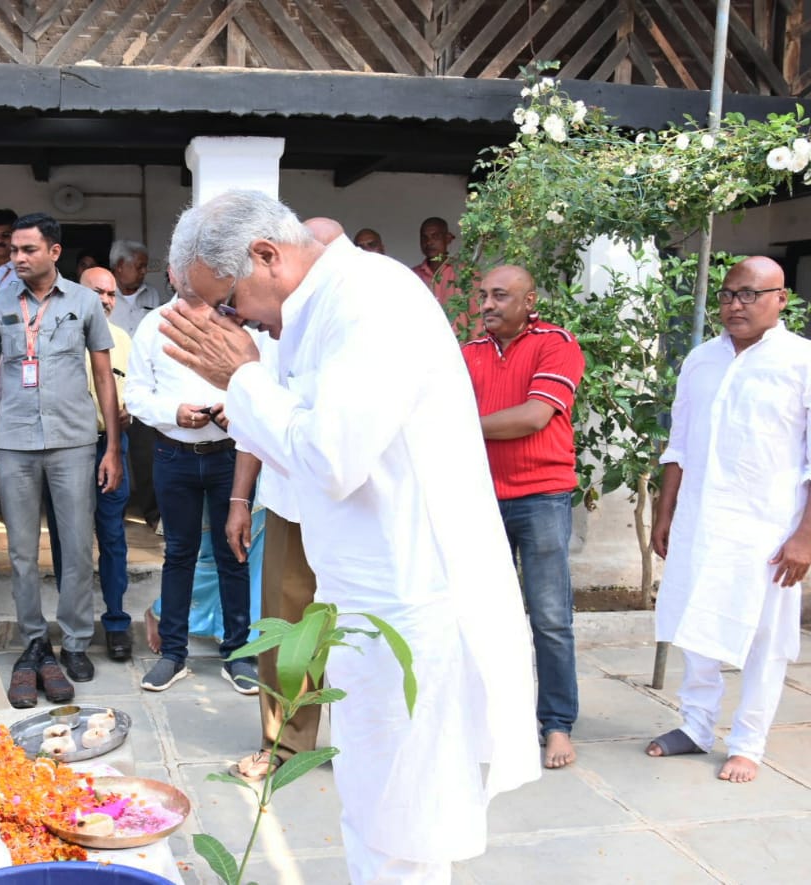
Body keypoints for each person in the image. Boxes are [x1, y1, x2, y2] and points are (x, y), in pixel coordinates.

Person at [158, 190, 539, 884]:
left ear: (267, 256)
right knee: (373, 802)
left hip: (410, 601)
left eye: (229, 299)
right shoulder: (317, 309)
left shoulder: (371, 301)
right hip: (367, 595)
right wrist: (245, 386)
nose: (232, 319)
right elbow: (302, 442)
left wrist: (241, 376)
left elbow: (332, 456)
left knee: (402, 820)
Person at [647, 256, 811, 784]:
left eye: (749, 294)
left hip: (768, 527)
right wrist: (665, 509)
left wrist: (804, 537)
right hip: (700, 517)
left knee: (763, 636)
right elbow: (679, 444)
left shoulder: (801, 363)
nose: (734, 305)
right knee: (695, 623)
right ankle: (695, 726)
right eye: (727, 294)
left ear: (781, 299)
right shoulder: (701, 359)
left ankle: (748, 742)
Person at [0, 213, 122, 708]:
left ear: (54, 251)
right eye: (12, 250)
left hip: (73, 442)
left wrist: (111, 446)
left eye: (28, 249)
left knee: (76, 548)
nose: (16, 257)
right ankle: (34, 641)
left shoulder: (85, 302)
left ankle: (73, 642)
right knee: (23, 553)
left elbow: (104, 378)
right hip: (14, 443)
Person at [224, 218, 338, 783]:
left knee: (360, 628)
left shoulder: (358, 315)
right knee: (286, 628)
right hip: (292, 502)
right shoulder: (273, 334)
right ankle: (285, 742)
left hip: (356, 506)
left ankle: (363, 739)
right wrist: (240, 500)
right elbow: (254, 426)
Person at [463, 265, 585, 770]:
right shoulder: (465, 354)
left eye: (500, 296)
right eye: (484, 296)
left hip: (542, 498)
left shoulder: (556, 344)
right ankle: (483, 719)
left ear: (529, 300)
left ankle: (557, 725)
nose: (487, 304)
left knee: (551, 619)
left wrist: (461, 424)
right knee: (475, 616)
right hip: (476, 498)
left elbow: (535, 416)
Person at [125, 269, 260, 694]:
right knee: (179, 554)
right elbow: (136, 395)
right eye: (180, 267)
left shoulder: (234, 323)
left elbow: (260, 387)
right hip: (173, 454)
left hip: (227, 457)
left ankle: (238, 654)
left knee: (233, 553)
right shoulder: (154, 323)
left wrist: (231, 409)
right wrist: (174, 411)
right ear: (170, 273)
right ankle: (173, 654)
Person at [45, 266, 134, 661]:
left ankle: (116, 622)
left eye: (112, 293)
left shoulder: (122, 340)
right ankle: (72, 625)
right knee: (69, 540)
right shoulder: (54, 333)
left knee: (112, 537)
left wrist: (132, 410)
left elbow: (138, 389)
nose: (106, 300)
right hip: (65, 451)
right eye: (98, 292)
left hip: (111, 446)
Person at [109, 239, 169, 533]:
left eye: (145, 266)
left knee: (145, 456)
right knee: (110, 452)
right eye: (139, 265)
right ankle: (111, 514)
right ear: (120, 267)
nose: (144, 271)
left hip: (144, 386)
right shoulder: (104, 298)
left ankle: (152, 512)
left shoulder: (152, 295)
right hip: (110, 385)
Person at [411, 217, 460, 307]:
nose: (429, 242)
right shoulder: (412, 276)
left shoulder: (465, 273)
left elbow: (477, 317)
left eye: (436, 236)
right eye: (424, 237)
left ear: (448, 239)